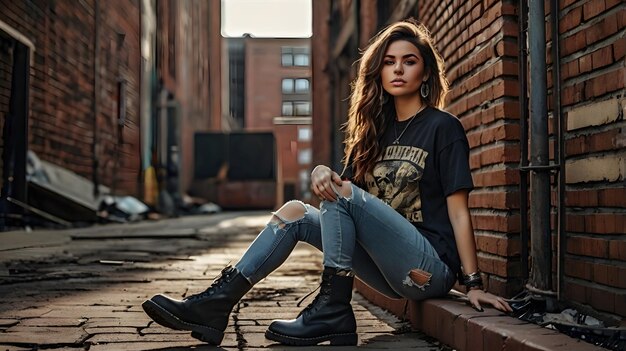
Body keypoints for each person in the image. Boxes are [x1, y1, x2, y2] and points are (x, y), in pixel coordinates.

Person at [141, 18, 512, 346]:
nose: (398, 69)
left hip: (429, 269)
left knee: (340, 190)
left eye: (409, 61)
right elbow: (340, 201)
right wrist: (320, 170)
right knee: (296, 212)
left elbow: (459, 212)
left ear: (426, 73)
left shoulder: (443, 127)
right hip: (387, 270)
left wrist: (474, 284)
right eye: (389, 61)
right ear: (379, 73)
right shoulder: (373, 135)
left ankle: (333, 307)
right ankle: (216, 304)